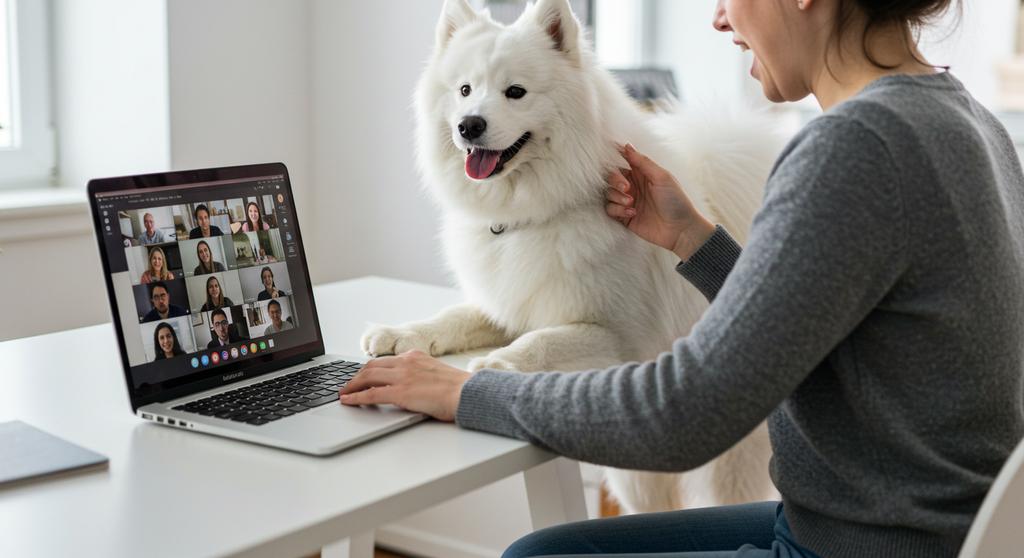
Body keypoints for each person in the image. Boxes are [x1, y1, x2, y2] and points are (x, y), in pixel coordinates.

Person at [337, 1, 1024, 557]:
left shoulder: (853, 147)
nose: (721, 19)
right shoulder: (961, 119)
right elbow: (819, 330)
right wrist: (691, 239)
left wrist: (470, 393)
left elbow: (680, 416)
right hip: (911, 532)